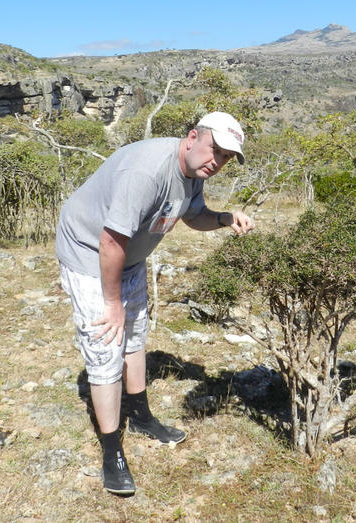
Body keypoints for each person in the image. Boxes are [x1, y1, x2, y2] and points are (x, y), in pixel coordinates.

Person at [55, 111, 254, 495]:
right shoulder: (146, 173)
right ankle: (111, 451)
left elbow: (192, 216)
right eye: (216, 150)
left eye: (227, 157)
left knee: (135, 336)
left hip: (129, 255)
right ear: (193, 136)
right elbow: (110, 241)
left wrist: (226, 217)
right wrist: (112, 302)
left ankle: (142, 416)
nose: (218, 161)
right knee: (106, 346)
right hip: (89, 250)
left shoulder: (194, 173)